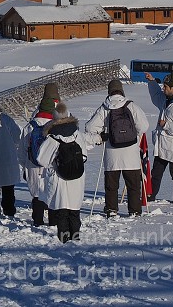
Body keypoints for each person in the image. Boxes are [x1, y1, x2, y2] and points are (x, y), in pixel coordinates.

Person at [85, 79, 150, 217]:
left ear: (109, 92)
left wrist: (103, 134)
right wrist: (134, 134)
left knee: (112, 185)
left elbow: (90, 127)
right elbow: (144, 126)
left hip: (111, 153)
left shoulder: (105, 107)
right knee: (133, 185)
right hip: (131, 152)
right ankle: (134, 211)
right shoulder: (131, 106)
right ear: (122, 91)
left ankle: (111, 210)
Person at [37, 102, 89, 243]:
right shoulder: (77, 134)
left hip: (59, 179)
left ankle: (64, 239)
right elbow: (84, 156)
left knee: (62, 210)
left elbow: (41, 159)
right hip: (77, 177)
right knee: (74, 211)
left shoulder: (53, 137)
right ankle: (75, 237)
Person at [144, 72, 173, 204]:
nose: (163, 88)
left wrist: (166, 125)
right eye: (163, 86)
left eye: (165, 86)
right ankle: (151, 196)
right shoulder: (165, 99)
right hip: (162, 144)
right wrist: (152, 81)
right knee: (156, 173)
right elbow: (155, 96)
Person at [18, 93, 56, 227]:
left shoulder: (29, 126)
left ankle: (37, 219)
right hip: (50, 164)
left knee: (36, 193)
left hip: (32, 164)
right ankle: (53, 221)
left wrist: (24, 166)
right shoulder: (55, 126)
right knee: (51, 191)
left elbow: (22, 149)